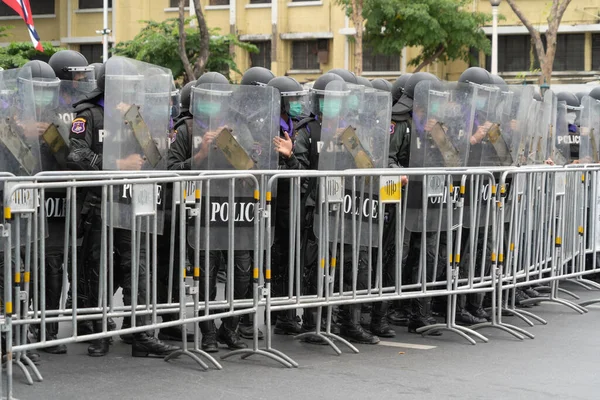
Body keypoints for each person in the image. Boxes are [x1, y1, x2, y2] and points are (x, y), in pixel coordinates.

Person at [67, 60, 178, 357]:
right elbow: (76, 154)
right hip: (99, 204)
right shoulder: (88, 114)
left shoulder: (134, 116)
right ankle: (100, 332)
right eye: (122, 85)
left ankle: (141, 334)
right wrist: (116, 165)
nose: (127, 91)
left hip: (131, 202)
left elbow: (154, 156)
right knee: (99, 268)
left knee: (138, 268)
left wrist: (136, 124)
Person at [168, 72, 250, 353]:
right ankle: (208, 333)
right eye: (209, 100)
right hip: (202, 214)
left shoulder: (240, 127)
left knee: (242, 272)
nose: (215, 105)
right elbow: (170, 171)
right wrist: (201, 152)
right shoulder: (186, 129)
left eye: (220, 100)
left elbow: (253, 168)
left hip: (237, 210)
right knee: (206, 274)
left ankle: (231, 329)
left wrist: (234, 145)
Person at [266, 76, 307, 336]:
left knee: (291, 256)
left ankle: (285, 312)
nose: (296, 104)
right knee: (279, 257)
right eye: (291, 99)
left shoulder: (294, 126)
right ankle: (281, 314)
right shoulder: (270, 127)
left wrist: (291, 157)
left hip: (292, 202)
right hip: (275, 202)